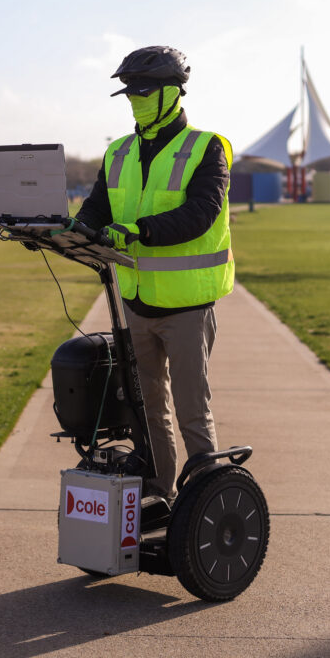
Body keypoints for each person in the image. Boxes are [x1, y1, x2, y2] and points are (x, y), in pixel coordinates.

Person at [75, 45, 234, 500]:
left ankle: (205, 503)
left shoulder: (206, 148)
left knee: (191, 412)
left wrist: (137, 231)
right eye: (130, 92)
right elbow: (95, 207)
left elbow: (200, 214)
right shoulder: (119, 152)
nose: (136, 98)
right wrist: (72, 229)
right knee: (147, 411)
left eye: (145, 90)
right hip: (135, 303)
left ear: (173, 92)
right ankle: (158, 494)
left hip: (186, 307)